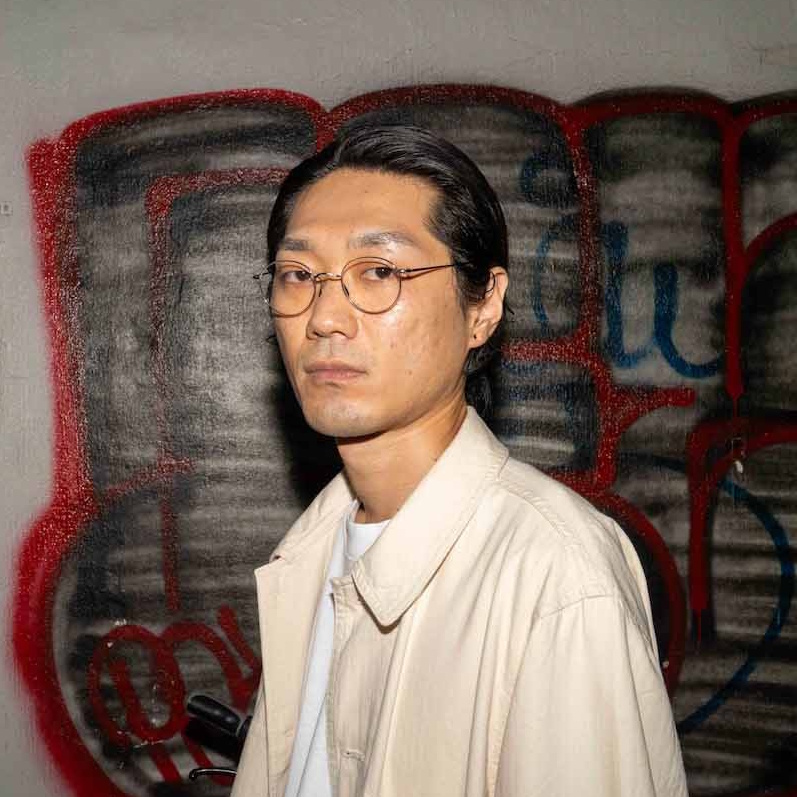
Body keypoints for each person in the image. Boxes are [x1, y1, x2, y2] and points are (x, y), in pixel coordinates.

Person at [231, 125, 688, 797]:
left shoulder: (555, 574)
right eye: (298, 275)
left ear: (483, 306)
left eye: (379, 271)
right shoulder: (309, 553)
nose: (325, 316)